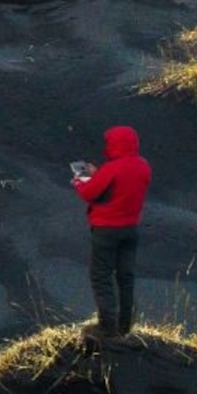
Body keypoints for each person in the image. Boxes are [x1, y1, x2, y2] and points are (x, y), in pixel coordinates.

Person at [67, 126, 151, 344]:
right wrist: (98, 175)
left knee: (101, 276)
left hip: (106, 229)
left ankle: (107, 327)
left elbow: (90, 193)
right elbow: (121, 188)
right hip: (130, 229)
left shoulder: (112, 168)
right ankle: (124, 325)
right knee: (125, 276)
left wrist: (80, 179)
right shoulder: (143, 166)